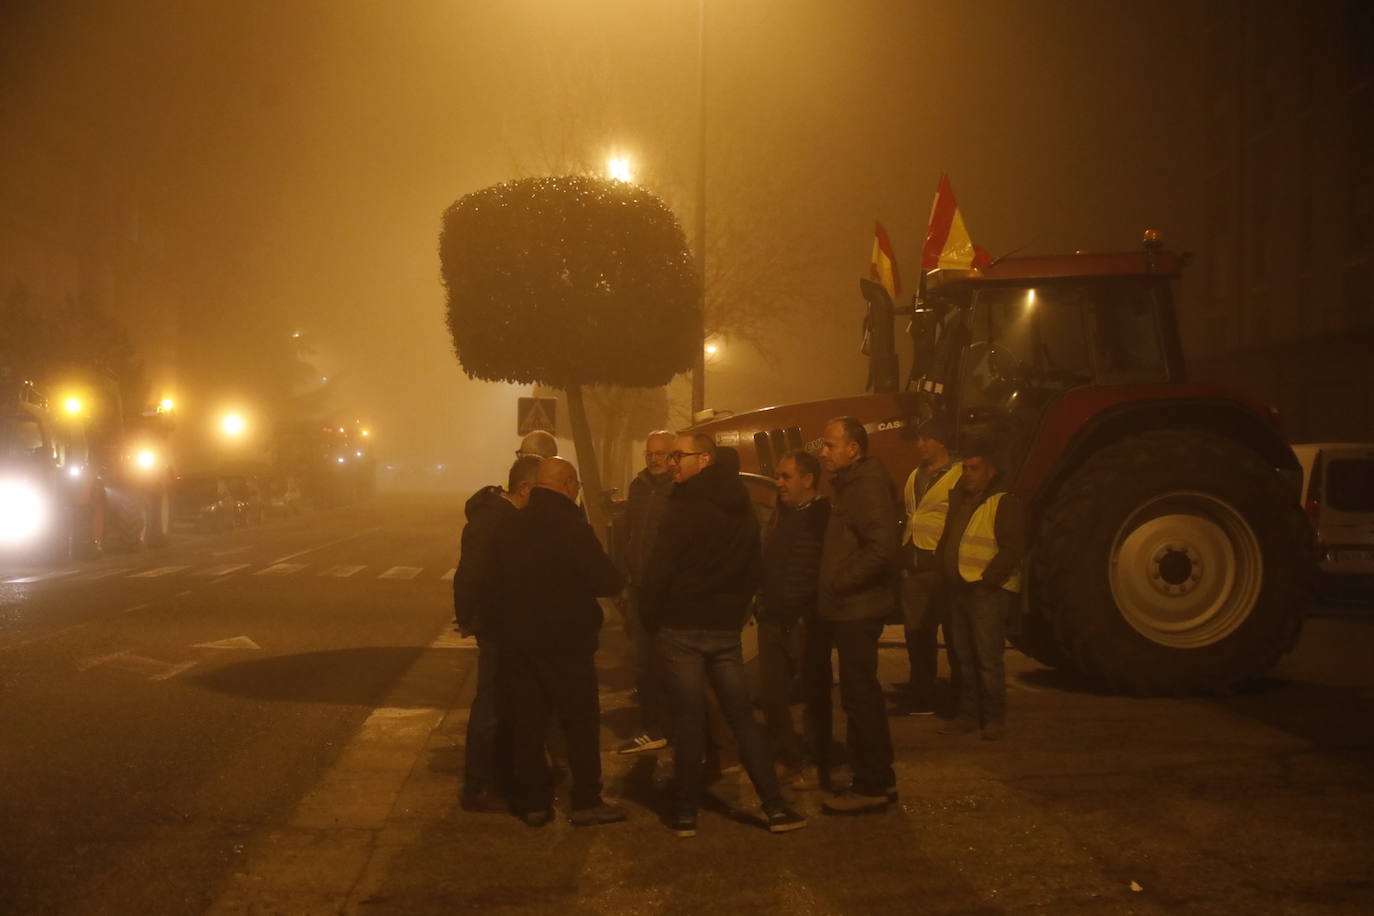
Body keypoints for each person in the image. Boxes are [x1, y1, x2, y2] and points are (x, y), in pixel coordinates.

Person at [641, 432, 807, 838]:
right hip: (723, 630)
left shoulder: (680, 509)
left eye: (680, 455)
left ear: (705, 460)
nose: (673, 463)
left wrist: (649, 617)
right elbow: (753, 567)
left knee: (690, 719)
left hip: (681, 627)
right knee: (742, 719)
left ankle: (684, 812)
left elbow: (658, 572)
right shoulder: (742, 508)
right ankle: (774, 807)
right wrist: (733, 612)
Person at [490, 457, 626, 827]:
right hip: (568, 642)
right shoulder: (573, 529)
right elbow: (606, 581)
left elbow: (493, 586)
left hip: (520, 642)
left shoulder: (509, 528)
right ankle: (585, 801)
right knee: (579, 722)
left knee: (529, 723)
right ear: (568, 485)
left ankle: (534, 802)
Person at [816, 416, 899, 815]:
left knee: (860, 697)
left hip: (857, 609)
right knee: (858, 694)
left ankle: (873, 783)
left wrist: (837, 582)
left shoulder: (865, 486)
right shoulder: (851, 485)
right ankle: (874, 778)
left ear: (854, 448)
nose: (823, 452)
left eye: (830, 445)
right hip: (850, 607)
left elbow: (882, 547)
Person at [452, 454, 543, 813]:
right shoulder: (495, 520)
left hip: (504, 622)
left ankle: (498, 775)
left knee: (503, 700)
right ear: (524, 489)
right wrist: (469, 617)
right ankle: (476, 785)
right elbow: (469, 573)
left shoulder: (503, 516)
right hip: (496, 624)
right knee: (490, 704)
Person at [934, 444, 1026, 741]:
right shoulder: (962, 501)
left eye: (974, 469)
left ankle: (994, 718)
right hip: (960, 590)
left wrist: (988, 581)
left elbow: (1012, 549)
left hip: (987, 592)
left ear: (990, 471)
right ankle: (969, 716)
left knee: (987, 658)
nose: (967, 474)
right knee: (963, 657)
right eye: (965, 468)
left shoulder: (1003, 502)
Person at [757, 449, 830, 790]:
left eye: (786, 476)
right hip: (773, 617)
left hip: (804, 619)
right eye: (779, 476)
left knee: (813, 696)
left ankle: (817, 761)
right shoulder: (780, 514)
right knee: (773, 695)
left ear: (808, 479)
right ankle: (789, 758)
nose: (779, 482)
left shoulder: (824, 516)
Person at [895, 418, 961, 717]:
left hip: (940, 566)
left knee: (952, 634)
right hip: (914, 565)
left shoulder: (959, 475)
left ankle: (960, 697)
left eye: (926, 439)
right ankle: (922, 693)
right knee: (917, 634)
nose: (919, 444)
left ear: (941, 441)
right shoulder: (914, 475)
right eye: (919, 439)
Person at [616, 430, 676, 755]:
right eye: (650, 453)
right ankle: (653, 725)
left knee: (666, 662)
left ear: (672, 456)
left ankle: (665, 726)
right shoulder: (637, 487)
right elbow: (628, 534)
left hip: (665, 592)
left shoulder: (677, 489)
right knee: (644, 663)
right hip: (638, 589)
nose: (654, 459)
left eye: (660, 454)